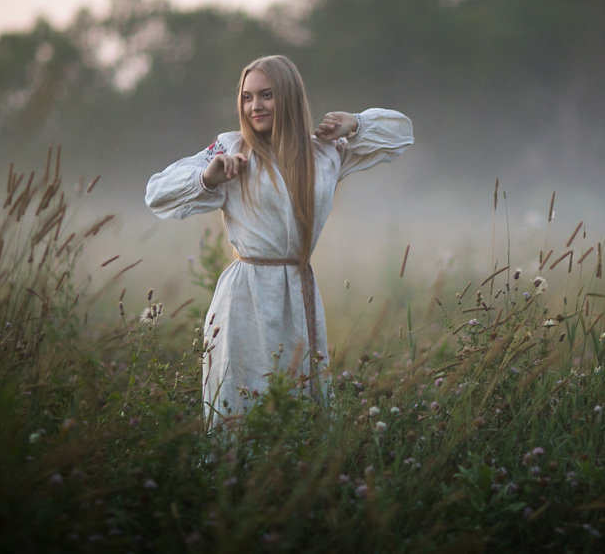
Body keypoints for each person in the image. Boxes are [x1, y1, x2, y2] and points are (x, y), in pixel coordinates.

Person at [145, 55, 413, 430]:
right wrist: (209, 177)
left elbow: (401, 134)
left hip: (299, 289)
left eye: (267, 95)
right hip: (245, 296)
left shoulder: (324, 152)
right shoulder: (231, 149)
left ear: (289, 96)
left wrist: (356, 123)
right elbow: (157, 194)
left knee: (300, 405)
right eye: (247, 97)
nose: (255, 106)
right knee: (241, 405)